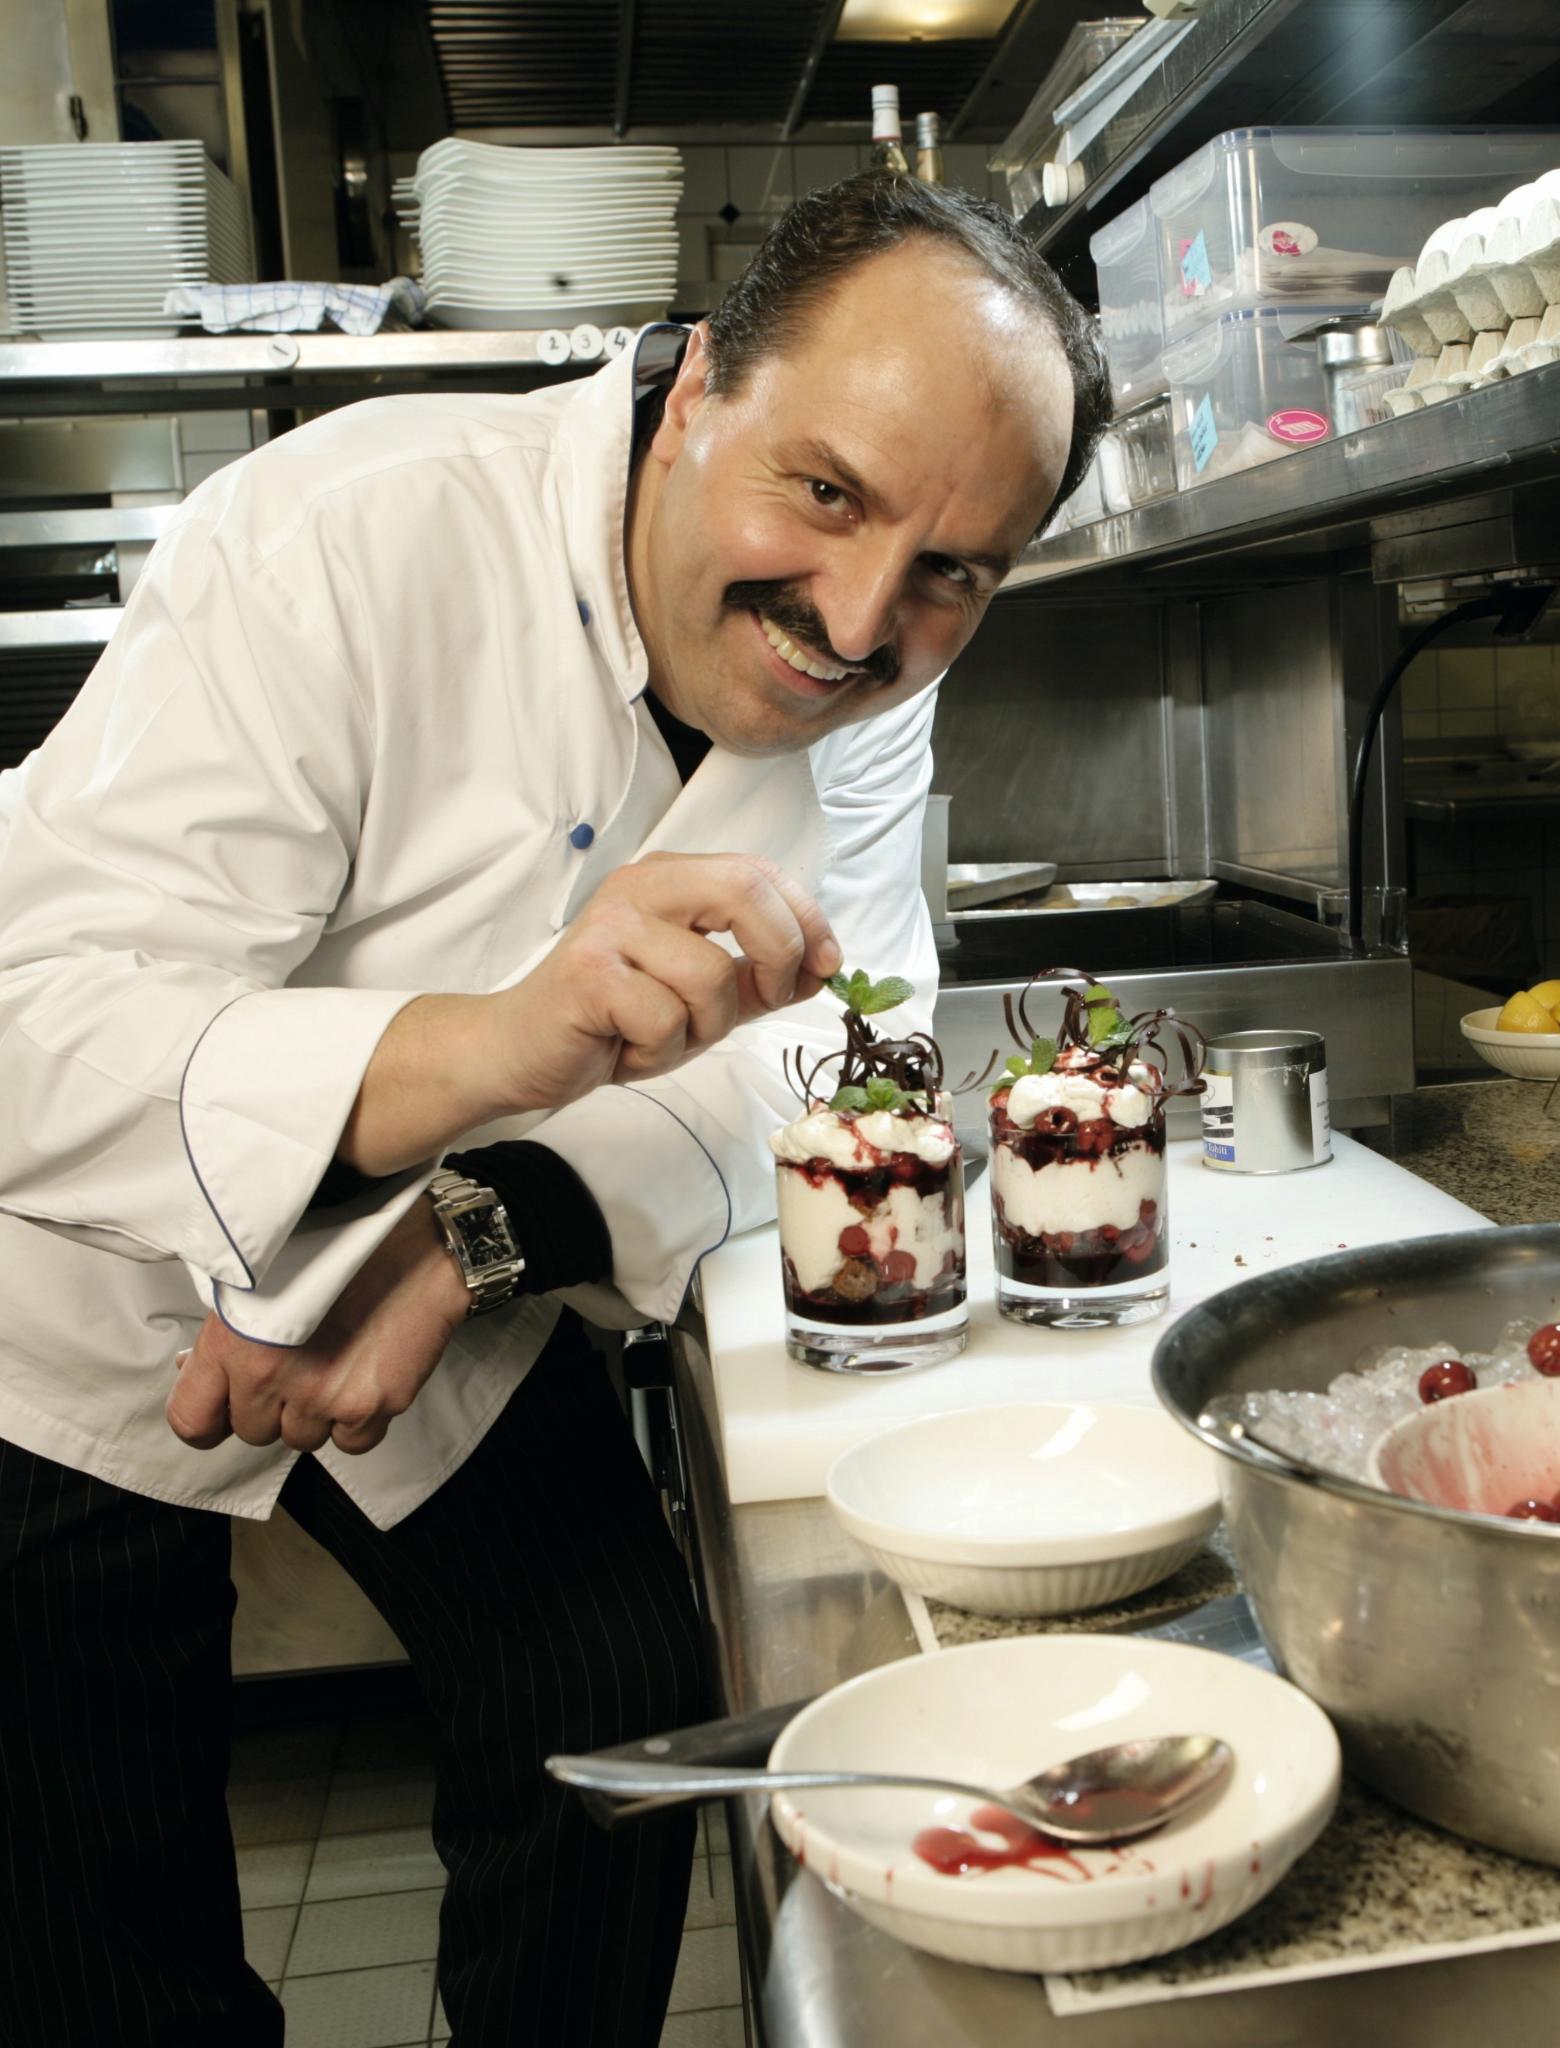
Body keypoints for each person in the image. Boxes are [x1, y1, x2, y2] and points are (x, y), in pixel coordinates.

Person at [0, 171, 1108, 2047]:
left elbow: (853, 1031)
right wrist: (492, 1047)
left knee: (610, 1700)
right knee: (95, 1919)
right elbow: (33, 1026)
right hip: (74, 1302)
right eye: (822, 493)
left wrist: (475, 1220)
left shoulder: (864, 653)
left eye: (952, 571)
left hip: (451, 1254)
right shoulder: (349, 533)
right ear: (694, 392)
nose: (855, 622)